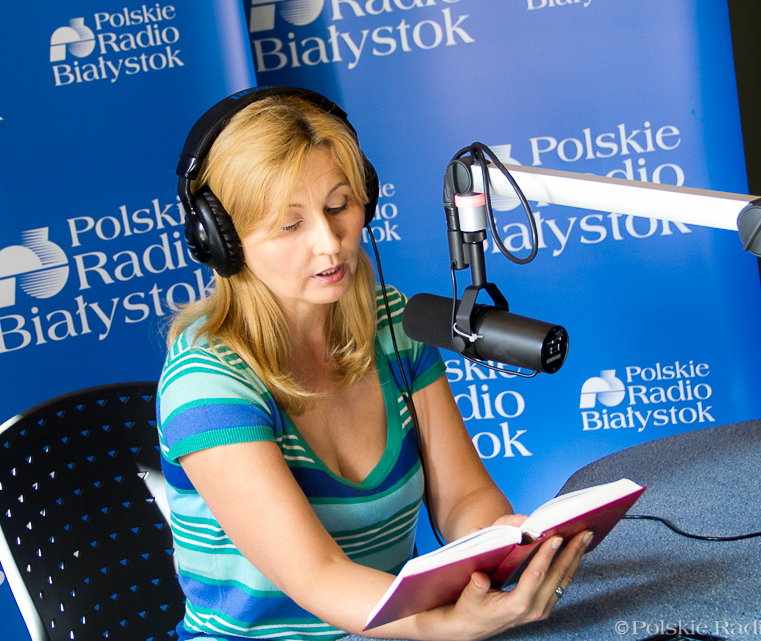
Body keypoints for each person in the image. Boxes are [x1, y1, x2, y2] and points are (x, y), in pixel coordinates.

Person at [158, 87, 590, 641]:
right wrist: (447, 625)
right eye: (290, 225)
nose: (330, 243)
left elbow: (463, 497)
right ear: (223, 240)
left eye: (339, 206)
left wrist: (504, 549)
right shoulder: (206, 382)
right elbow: (318, 576)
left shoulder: (391, 323)